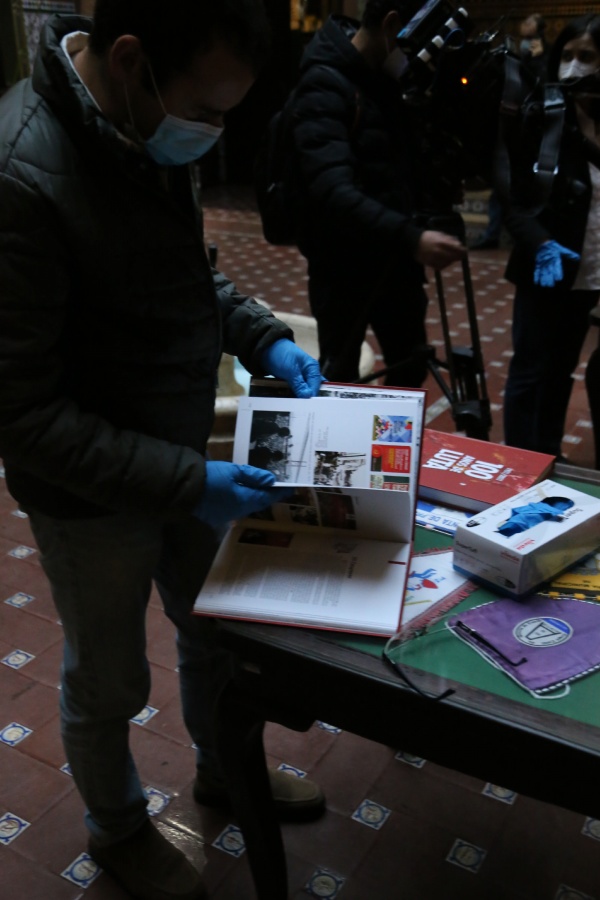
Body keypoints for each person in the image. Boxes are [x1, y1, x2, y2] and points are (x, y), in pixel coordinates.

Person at [0, 3, 326, 899]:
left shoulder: (142, 127)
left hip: (180, 456)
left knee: (214, 633)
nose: (212, 134)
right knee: (109, 678)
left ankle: (226, 770)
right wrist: (190, 480)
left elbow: (186, 270)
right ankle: (117, 829)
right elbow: (21, 413)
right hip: (90, 496)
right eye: (207, 111)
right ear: (131, 60)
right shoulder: (20, 175)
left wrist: (260, 335)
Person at [285, 0, 466, 384]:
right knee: (340, 380)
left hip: (395, 263)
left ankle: (388, 430)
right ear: (391, 25)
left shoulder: (386, 81)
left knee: (410, 368)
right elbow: (332, 190)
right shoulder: (323, 84)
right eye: (417, 45)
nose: (416, 59)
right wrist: (412, 237)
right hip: (342, 268)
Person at [503, 13, 600, 459]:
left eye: (587, 57)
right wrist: (539, 242)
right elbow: (512, 196)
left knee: (562, 370)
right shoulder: (544, 115)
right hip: (544, 265)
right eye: (568, 55)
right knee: (530, 370)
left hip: (587, 269)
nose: (574, 66)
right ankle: (521, 463)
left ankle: (548, 453)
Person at [470, 13, 548, 252]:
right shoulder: (518, 51)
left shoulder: (544, 52)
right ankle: (494, 234)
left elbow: (539, 82)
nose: (525, 25)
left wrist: (536, 59)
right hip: (512, 127)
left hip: (532, 131)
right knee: (502, 186)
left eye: (529, 23)